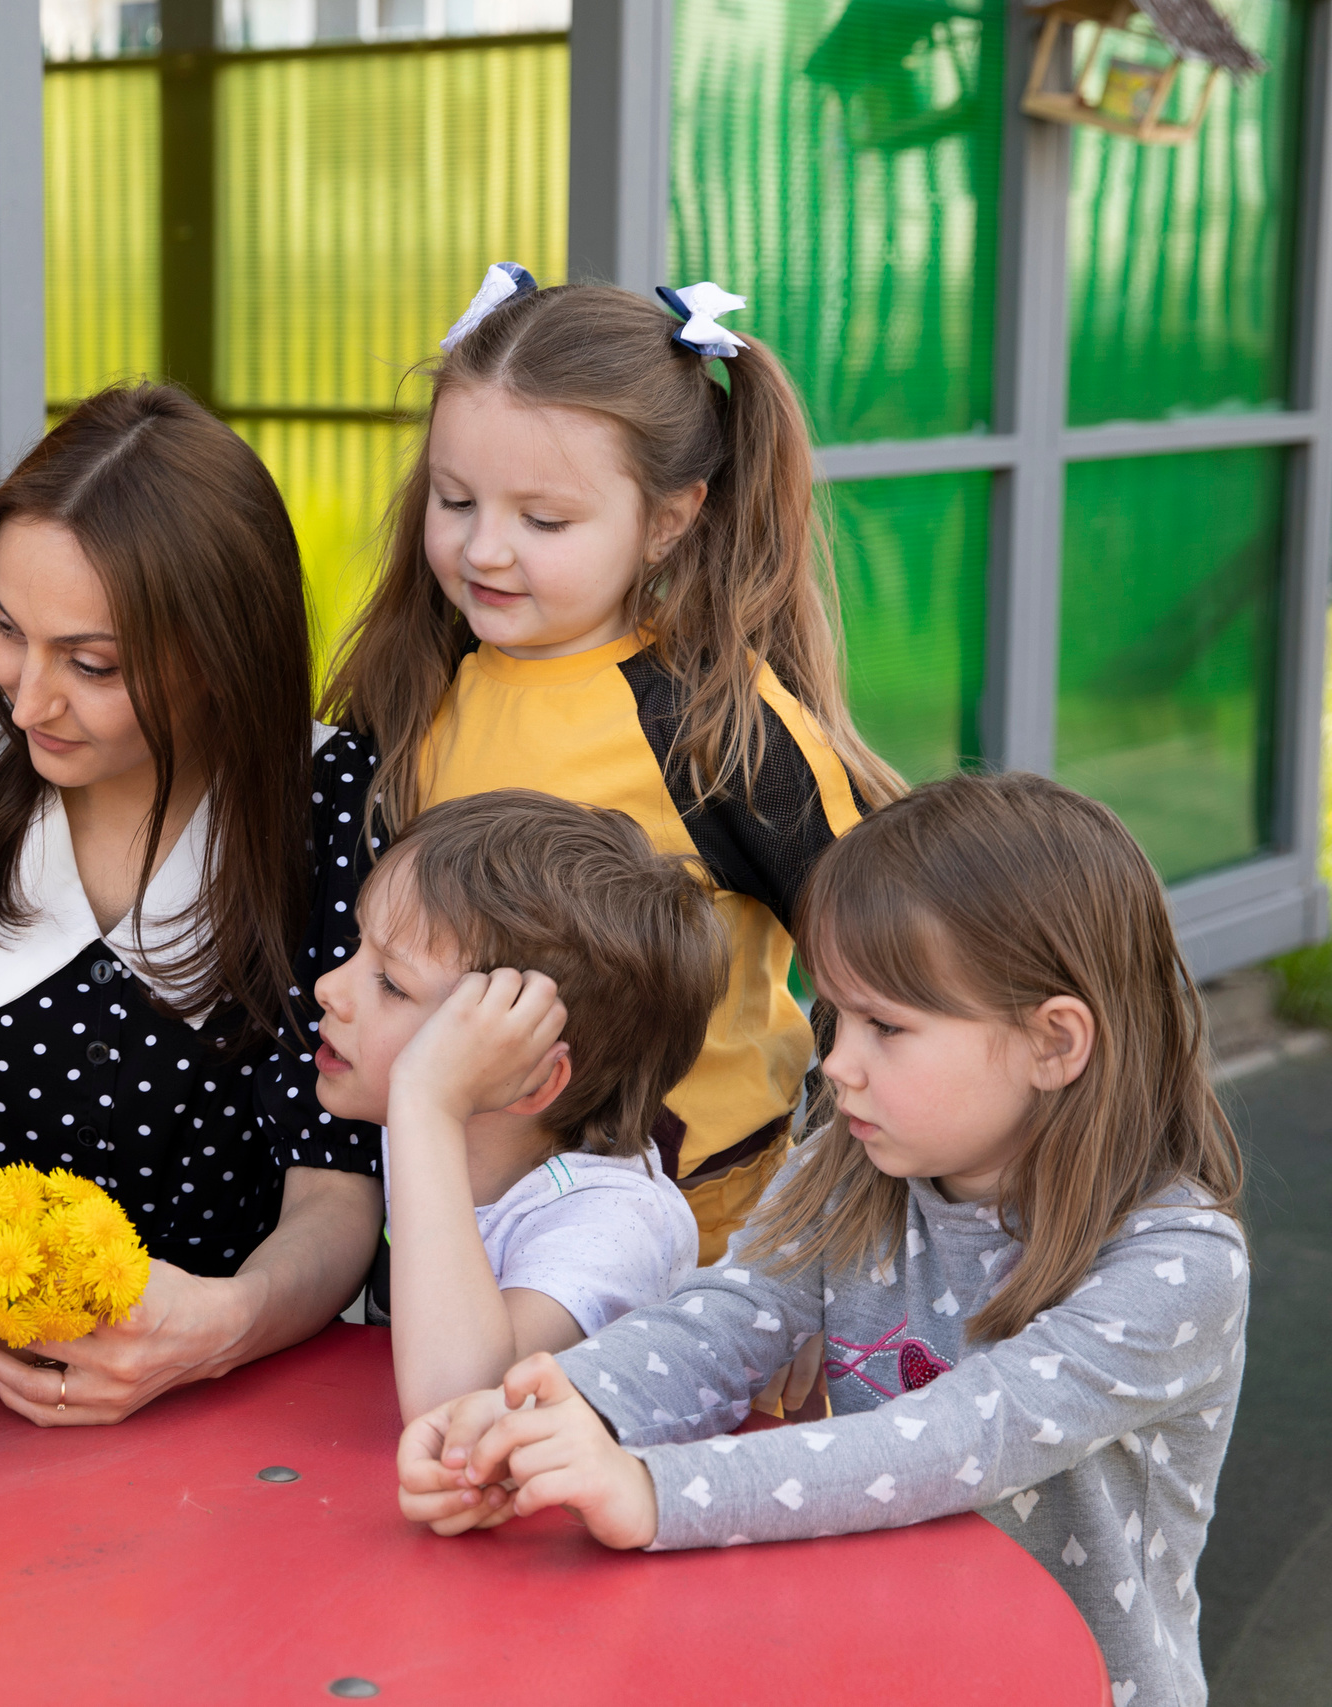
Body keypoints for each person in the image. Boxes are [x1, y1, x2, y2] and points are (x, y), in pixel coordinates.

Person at [397, 772, 1246, 1707]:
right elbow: (726, 1320)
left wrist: (649, 1489)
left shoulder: (1179, 1265)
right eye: (837, 1014)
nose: (835, 1062)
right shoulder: (849, 1170)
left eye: (888, 1025)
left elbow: (956, 1440)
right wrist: (555, 1412)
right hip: (890, 1664)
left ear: (1054, 1042)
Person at [0, 384, 385, 1426]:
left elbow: (334, 1194)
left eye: (91, 663)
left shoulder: (338, 812)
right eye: (6, 628)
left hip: (250, 1413)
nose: (26, 695)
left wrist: (222, 1326)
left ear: (224, 654)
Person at [320, 266, 907, 1265]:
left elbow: (891, 951)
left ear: (669, 519)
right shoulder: (414, 691)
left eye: (542, 521)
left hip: (699, 1222)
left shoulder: (716, 726)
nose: (484, 551)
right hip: (454, 1210)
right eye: (455, 500)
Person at [312, 791, 722, 1420]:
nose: (328, 987)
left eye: (392, 984)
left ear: (530, 1081)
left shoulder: (615, 1224)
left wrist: (428, 1103)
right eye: (357, 946)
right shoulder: (421, 1121)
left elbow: (457, 1405)